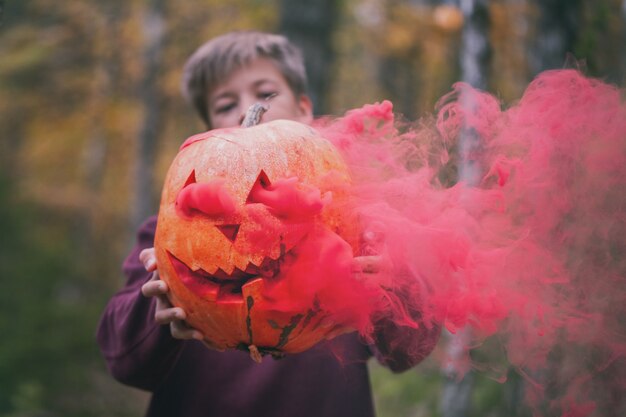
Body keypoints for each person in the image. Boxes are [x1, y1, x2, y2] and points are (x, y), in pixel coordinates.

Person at [97, 31, 440, 417]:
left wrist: (389, 289)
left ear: (304, 109)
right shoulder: (174, 226)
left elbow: (409, 351)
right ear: (213, 127)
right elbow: (123, 361)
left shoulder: (351, 223)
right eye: (226, 104)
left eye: (266, 94)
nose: (249, 110)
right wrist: (158, 306)